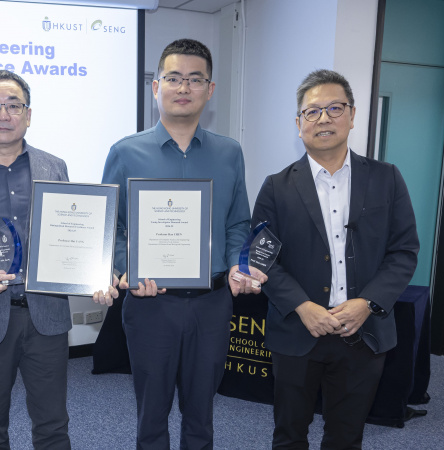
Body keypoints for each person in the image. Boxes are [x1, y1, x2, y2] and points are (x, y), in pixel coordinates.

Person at [0, 70, 115, 450]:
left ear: (28, 115)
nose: (3, 114)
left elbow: (74, 235)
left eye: (13, 106)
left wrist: (95, 273)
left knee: (52, 426)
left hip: (46, 316)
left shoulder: (55, 166)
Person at [101, 38, 264, 449]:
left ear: (210, 91)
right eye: (173, 78)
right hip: (151, 304)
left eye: (195, 79)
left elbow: (237, 222)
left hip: (212, 303)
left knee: (201, 417)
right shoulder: (125, 152)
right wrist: (128, 269)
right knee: (151, 417)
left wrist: (235, 265)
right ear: (156, 87)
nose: (183, 87)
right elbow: (111, 228)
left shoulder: (230, 153)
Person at [252, 69, 419, 449]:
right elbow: (263, 259)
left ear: (353, 115)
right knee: (289, 434)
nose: (324, 118)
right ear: (298, 124)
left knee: (346, 436)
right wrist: (301, 307)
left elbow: (404, 250)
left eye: (334, 108)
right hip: (298, 331)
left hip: (363, 333)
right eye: (312, 112)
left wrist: (367, 303)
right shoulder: (276, 187)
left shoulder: (386, 178)